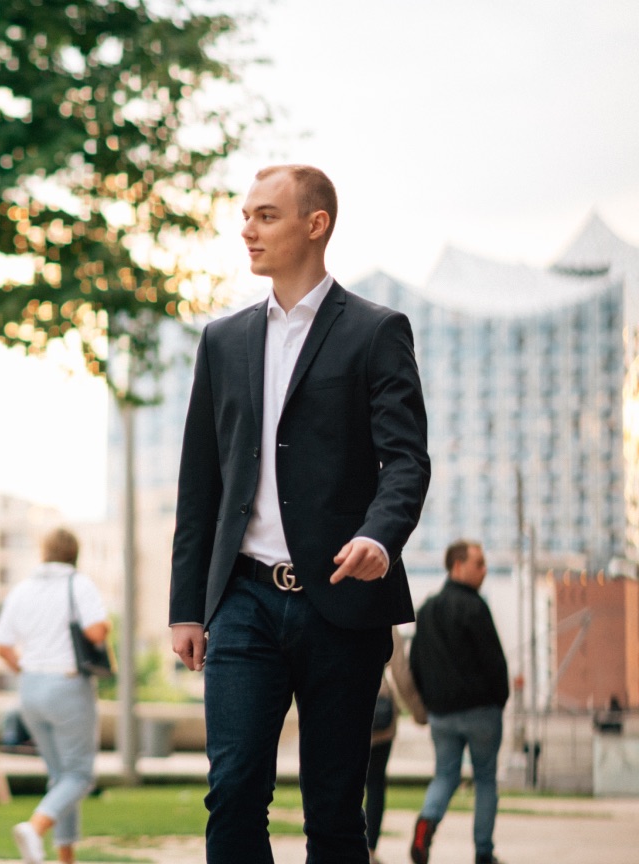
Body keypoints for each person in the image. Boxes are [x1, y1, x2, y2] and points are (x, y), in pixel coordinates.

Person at [169, 164, 431, 863]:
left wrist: (380, 535)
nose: (246, 229)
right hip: (243, 601)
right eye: (246, 215)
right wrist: (187, 606)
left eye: (265, 215)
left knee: (336, 810)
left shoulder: (377, 332)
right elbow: (201, 482)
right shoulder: (222, 341)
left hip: (343, 604)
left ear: (315, 225)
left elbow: (406, 460)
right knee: (232, 795)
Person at [0, 527, 110, 864]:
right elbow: (96, 631)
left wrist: (31, 670)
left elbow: (3, 646)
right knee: (80, 775)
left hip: (30, 688)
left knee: (61, 776)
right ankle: (34, 827)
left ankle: (66, 857)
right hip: (67, 686)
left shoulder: (22, 589)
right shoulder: (79, 584)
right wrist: (107, 630)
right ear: (75, 553)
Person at [408, 540, 508, 864]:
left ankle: (426, 823)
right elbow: (494, 662)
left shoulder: (426, 610)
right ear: (458, 566)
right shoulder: (475, 607)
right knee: (485, 780)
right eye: (479, 563)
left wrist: (427, 702)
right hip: (481, 712)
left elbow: (416, 662)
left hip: (442, 716)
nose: (484, 570)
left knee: (445, 776)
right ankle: (483, 852)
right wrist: (500, 699)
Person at [365, 627, 426, 864]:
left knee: (344, 782)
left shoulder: (335, 606)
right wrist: (420, 712)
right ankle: (369, 850)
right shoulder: (387, 621)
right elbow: (401, 672)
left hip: (342, 706)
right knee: (376, 783)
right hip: (379, 714)